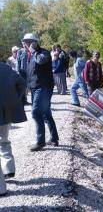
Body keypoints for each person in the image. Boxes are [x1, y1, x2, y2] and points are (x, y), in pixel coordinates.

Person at [23, 33, 59, 151]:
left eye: (27, 42)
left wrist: (33, 51)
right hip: (35, 88)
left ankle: (40, 142)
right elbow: (31, 72)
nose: (25, 44)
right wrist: (28, 86)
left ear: (34, 42)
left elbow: (41, 61)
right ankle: (54, 138)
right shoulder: (30, 55)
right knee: (46, 113)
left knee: (36, 113)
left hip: (43, 88)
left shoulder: (43, 52)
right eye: (24, 42)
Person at [0, 62, 27, 196]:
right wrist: (15, 98)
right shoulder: (5, 68)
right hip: (7, 111)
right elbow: (22, 83)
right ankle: (8, 169)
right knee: (4, 140)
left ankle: (1, 188)